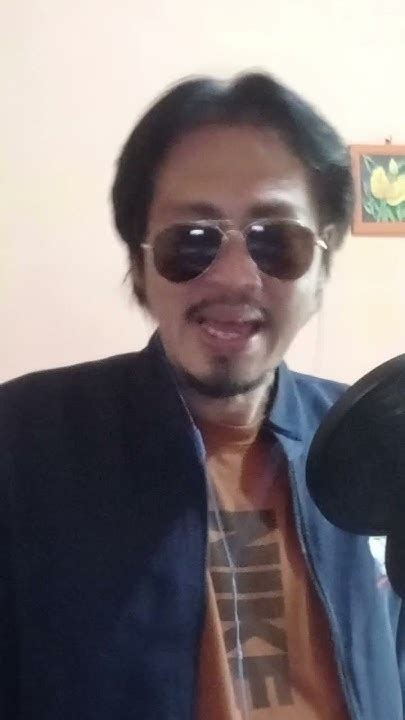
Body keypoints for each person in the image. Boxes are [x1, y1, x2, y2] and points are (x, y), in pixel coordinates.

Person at [0, 71, 403, 720]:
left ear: (321, 268)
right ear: (140, 265)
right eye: (192, 241)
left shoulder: (371, 441)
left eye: (277, 241)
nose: (236, 277)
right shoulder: (21, 447)